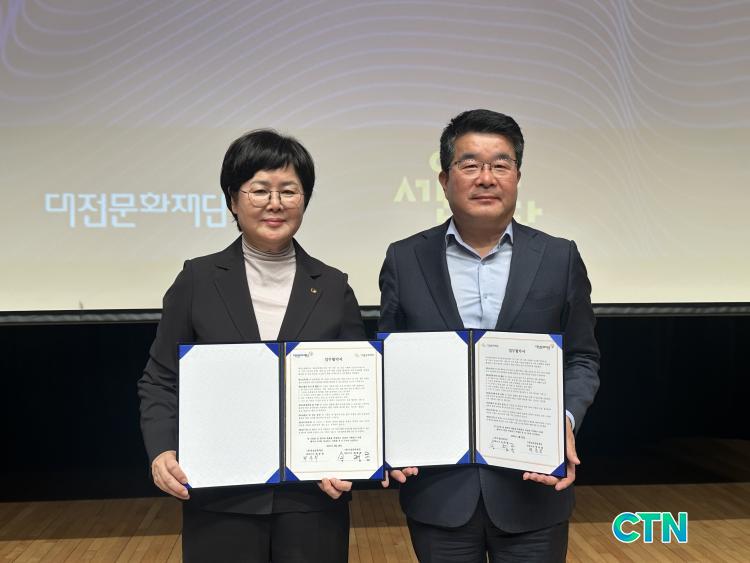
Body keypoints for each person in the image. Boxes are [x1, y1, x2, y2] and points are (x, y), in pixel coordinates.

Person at [379, 109, 600, 562]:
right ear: (444, 180)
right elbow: (390, 364)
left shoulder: (559, 257)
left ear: (517, 176)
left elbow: (582, 357)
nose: (486, 178)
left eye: (501, 165)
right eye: (470, 165)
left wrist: (563, 419)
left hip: (532, 489)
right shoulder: (404, 259)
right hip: (439, 492)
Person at [138, 129, 366, 563]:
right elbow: (161, 379)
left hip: (311, 498)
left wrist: (348, 460)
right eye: (259, 190)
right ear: (233, 200)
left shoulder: (334, 287)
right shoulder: (197, 280)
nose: (275, 203)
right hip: (221, 494)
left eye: (289, 191)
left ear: (305, 199)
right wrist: (162, 451)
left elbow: (357, 391)